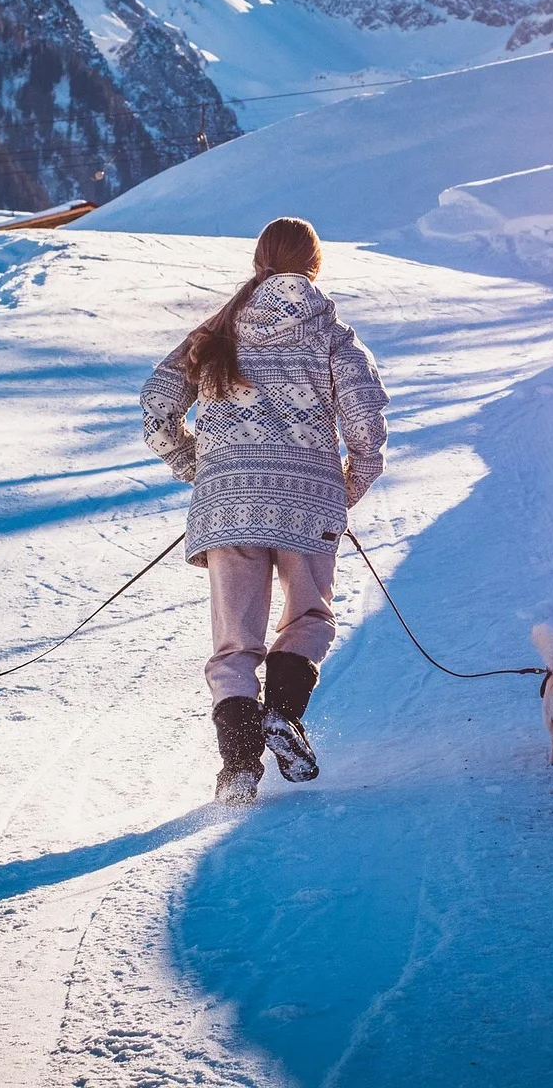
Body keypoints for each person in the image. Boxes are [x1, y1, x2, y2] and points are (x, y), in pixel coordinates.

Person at [141, 218, 389, 804]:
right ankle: (282, 713)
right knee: (308, 618)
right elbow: (365, 430)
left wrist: (198, 467)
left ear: (259, 261)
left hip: (227, 507)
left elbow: (156, 408)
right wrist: (343, 489)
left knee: (234, 642)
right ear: (314, 265)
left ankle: (239, 769)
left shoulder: (216, 332)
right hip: (310, 503)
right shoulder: (334, 334)